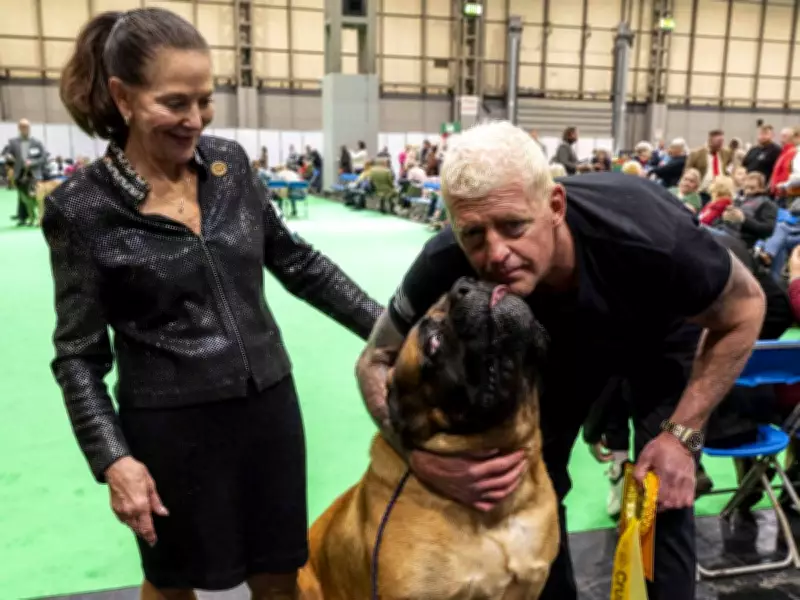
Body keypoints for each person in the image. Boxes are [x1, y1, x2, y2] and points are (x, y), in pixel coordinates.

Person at [46, 8, 382, 599]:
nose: (195, 119)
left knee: (281, 573)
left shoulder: (230, 166)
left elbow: (298, 262)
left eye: (205, 99)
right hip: (169, 431)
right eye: (175, 102)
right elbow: (77, 355)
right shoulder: (80, 209)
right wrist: (114, 460)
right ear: (123, 97)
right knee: (172, 583)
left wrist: (389, 330)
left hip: (269, 410)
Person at [356, 121, 765, 600]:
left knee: (662, 492)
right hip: (558, 348)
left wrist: (684, 433)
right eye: (473, 234)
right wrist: (417, 455)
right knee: (529, 478)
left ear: (554, 207)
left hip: (661, 334)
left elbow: (746, 308)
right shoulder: (447, 256)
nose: (496, 254)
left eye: (513, 226)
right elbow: (373, 361)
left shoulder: (649, 232)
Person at [3, 118, 48, 226]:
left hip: (34, 173)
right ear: (19, 128)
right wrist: (8, 156)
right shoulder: (12, 142)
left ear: (29, 128)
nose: (25, 129)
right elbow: (5, 153)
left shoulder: (37, 142)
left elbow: (44, 158)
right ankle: (24, 217)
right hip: (19, 173)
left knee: (38, 197)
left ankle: (41, 218)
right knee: (22, 197)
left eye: (26, 127)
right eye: (22, 127)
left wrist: (32, 162)